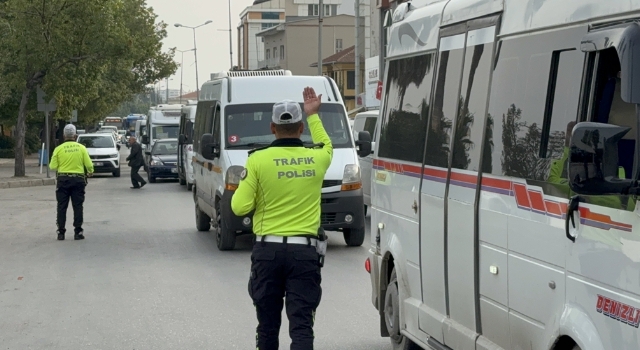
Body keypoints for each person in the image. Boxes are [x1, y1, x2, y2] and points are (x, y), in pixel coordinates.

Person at [231, 87, 333, 350]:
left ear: (272, 128)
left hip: (268, 253)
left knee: (267, 326)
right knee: (301, 327)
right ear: (301, 128)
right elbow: (326, 143)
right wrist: (314, 115)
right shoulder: (319, 157)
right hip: (304, 254)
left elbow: (240, 207)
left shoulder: (257, 160)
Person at [49, 124, 94, 241]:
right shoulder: (81, 148)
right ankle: (78, 231)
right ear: (75, 135)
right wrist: (90, 171)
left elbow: (52, 166)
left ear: (64, 135)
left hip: (63, 180)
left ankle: (61, 232)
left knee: (62, 206)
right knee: (78, 206)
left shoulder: (58, 149)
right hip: (78, 180)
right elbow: (89, 165)